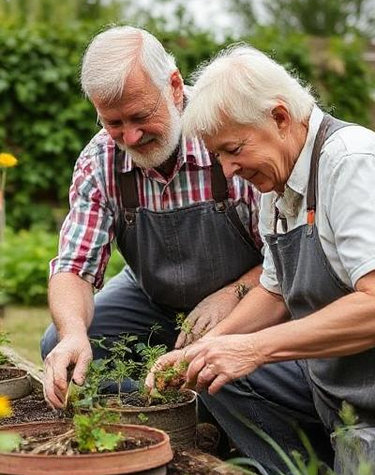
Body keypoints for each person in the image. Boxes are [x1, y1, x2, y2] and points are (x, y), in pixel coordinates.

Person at [146, 44, 375, 475]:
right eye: (219, 157)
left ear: (280, 117)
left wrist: (252, 350)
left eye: (234, 149)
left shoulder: (352, 163)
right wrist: (203, 351)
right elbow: (274, 291)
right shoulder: (279, 185)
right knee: (216, 375)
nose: (228, 171)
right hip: (340, 373)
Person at [41, 27, 264, 408]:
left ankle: (207, 408)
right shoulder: (99, 162)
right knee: (58, 343)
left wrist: (233, 294)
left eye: (140, 116)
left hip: (246, 299)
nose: (130, 136)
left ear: (174, 87)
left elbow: (287, 259)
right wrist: (74, 332)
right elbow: (74, 267)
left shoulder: (227, 136)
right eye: (113, 123)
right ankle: (166, 408)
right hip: (152, 299)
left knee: (242, 364)